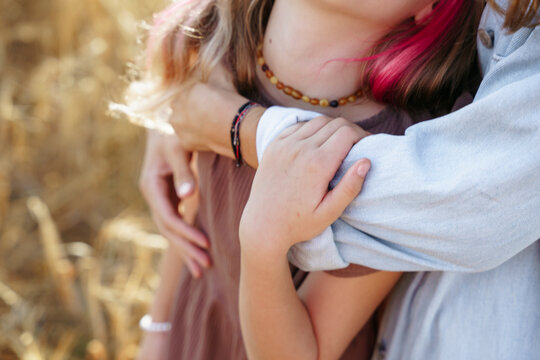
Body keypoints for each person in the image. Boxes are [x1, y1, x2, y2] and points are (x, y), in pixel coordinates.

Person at [164, 0, 540, 359]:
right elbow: (192, 231)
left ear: (432, 8)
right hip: (193, 333)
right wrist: (157, 330)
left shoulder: (393, 153)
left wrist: (263, 245)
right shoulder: (225, 48)